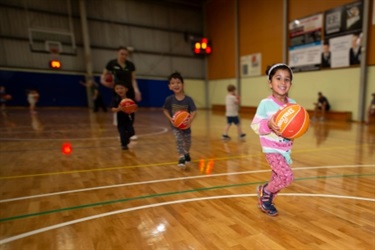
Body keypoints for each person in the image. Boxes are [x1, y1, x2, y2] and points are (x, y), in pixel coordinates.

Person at [250, 63, 296, 216]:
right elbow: (255, 126)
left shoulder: (293, 105)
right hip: (271, 148)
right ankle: (265, 192)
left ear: (291, 83)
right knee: (286, 176)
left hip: (285, 149)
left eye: (287, 79)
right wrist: (268, 124)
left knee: (278, 178)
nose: (283, 82)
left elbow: (296, 126)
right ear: (270, 83)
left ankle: (266, 200)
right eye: (278, 78)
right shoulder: (265, 104)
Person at [101, 46, 141, 140]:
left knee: (131, 110)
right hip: (118, 92)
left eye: (126, 54)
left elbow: (133, 79)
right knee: (119, 110)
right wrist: (104, 82)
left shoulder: (130, 65)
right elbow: (103, 76)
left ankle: (130, 129)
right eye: (122, 54)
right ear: (117, 53)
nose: (124, 56)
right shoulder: (111, 63)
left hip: (129, 91)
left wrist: (136, 90)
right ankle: (122, 131)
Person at [163, 72, 197, 168]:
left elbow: (194, 111)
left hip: (186, 125)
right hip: (175, 126)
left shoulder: (188, 99)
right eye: (173, 83)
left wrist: (190, 121)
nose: (176, 85)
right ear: (169, 86)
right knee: (179, 139)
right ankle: (181, 156)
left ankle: (186, 152)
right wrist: (171, 119)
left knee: (188, 142)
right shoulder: (169, 99)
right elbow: (165, 110)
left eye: (178, 82)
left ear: (183, 85)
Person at [111, 80, 134, 150]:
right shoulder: (115, 99)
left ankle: (126, 139)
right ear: (115, 90)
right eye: (117, 89)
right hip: (119, 120)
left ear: (126, 89)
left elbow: (134, 108)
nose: (119, 90)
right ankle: (123, 144)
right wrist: (119, 109)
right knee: (122, 132)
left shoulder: (130, 99)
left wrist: (133, 109)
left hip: (128, 119)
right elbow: (113, 109)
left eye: (121, 88)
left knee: (131, 132)